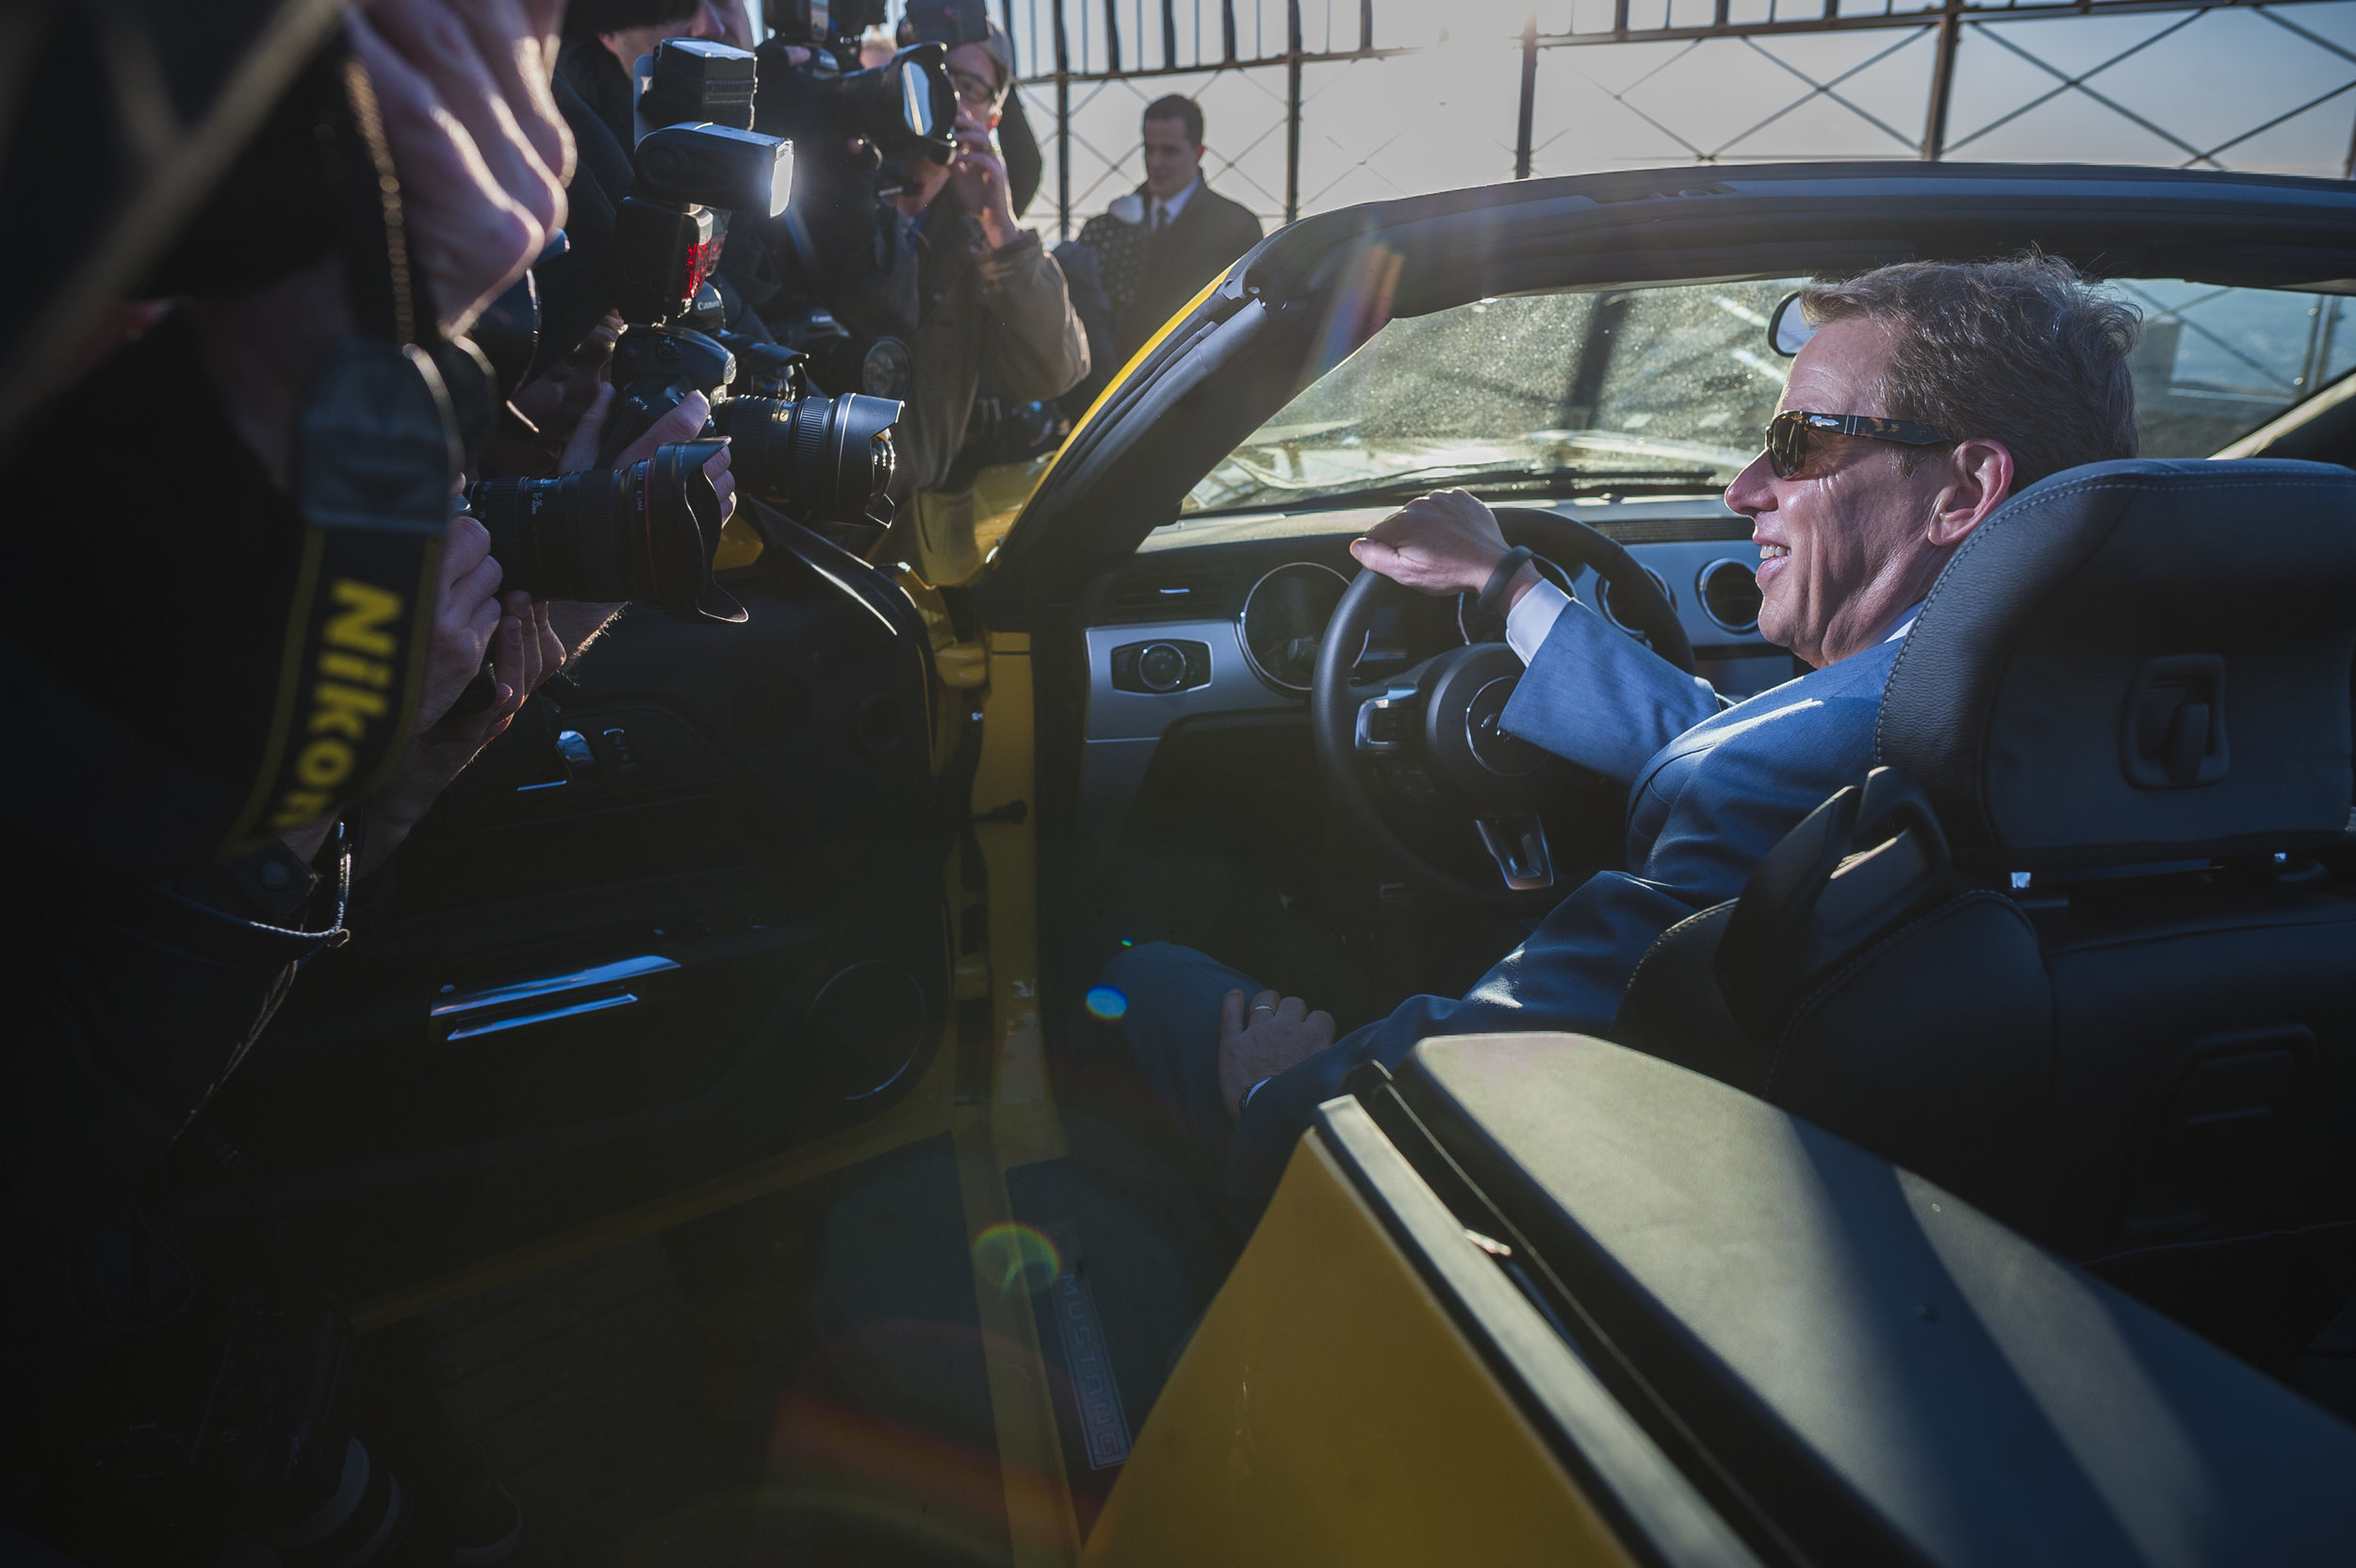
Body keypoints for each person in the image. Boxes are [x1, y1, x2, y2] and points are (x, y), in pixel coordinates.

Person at [1095, 254, 2144, 1211]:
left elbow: (1478, 1078)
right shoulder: (2145, 734)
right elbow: (1737, 750)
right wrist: (1509, 585)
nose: (1743, 490)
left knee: (1139, 983)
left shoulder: (1800, 774)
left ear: (1962, 490)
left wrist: (1280, 1088)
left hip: (1625, 1231)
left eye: (1799, 441)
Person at [862, 22, 1088, 514]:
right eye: (930, 74)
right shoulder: (832, 188)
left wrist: (1001, 229)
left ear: (991, 118)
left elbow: (1053, 373)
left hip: (899, 520)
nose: (944, 95)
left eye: (966, 87)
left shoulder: (977, 240)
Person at [1069, 94, 1262, 404]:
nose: (1156, 163)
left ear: (1198, 153)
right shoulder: (1105, 228)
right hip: (1112, 396)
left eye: (1169, 152)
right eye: (1149, 150)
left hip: (1194, 396)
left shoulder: (1236, 228)